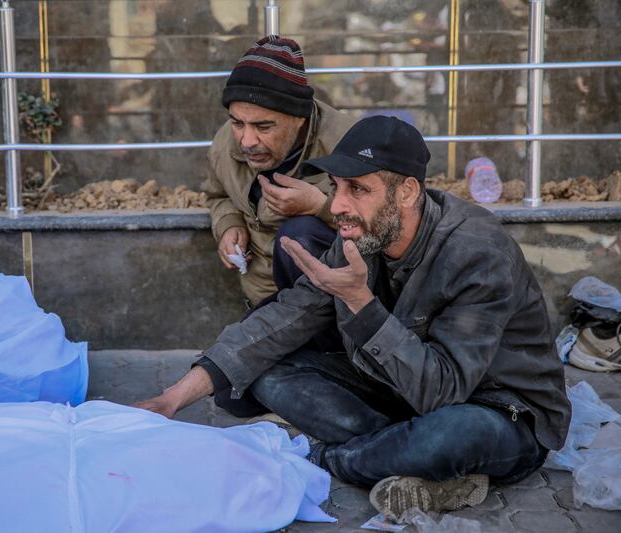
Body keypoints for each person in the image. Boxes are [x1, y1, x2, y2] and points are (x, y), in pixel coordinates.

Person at [136, 116, 571, 523]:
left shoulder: (477, 252)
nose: (338, 205)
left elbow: (445, 389)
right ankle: (402, 460)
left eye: (357, 189)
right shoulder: (361, 232)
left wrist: (360, 301)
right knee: (262, 373)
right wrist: (170, 400)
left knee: (448, 436)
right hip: (396, 392)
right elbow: (283, 321)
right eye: (335, 186)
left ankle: (327, 456)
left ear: (406, 192)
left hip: (495, 409)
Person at [204, 35, 354, 307]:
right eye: (238, 123)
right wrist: (229, 225)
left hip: (334, 306)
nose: (247, 141)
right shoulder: (225, 143)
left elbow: (384, 226)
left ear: (299, 118)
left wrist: (319, 207)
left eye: (263, 127)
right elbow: (219, 195)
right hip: (262, 299)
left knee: (299, 231)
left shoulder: (347, 145)